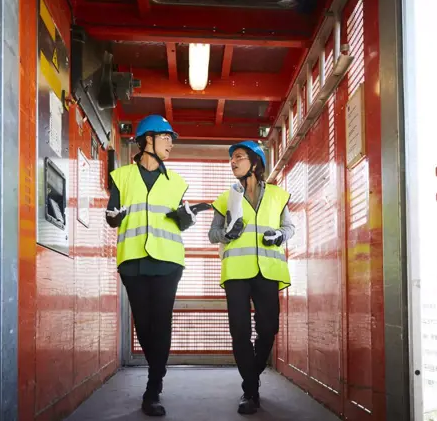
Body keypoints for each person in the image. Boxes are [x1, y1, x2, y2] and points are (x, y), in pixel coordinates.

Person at [106, 114, 197, 417]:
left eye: (172, 138)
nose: (171, 143)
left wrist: (186, 219)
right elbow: (112, 212)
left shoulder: (178, 182)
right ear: (148, 140)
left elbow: (183, 220)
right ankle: (156, 372)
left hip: (167, 262)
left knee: (161, 321)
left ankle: (153, 387)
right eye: (166, 137)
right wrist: (112, 217)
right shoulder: (121, 177)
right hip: (132, 261)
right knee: (143, 325)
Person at [208, 140, 295, 415]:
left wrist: (280, 235)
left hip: (268, 271)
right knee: (240, 332)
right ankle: (250, 391)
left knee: (268, 329)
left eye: (239, 157)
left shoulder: (279, 196)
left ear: (255, 163)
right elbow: (213, 234)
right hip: (236, 272)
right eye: (231, 158)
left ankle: (252, 375)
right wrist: (226, 235)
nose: (233, 161)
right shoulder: (225, 198)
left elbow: (289, 227)